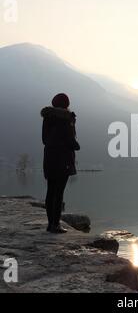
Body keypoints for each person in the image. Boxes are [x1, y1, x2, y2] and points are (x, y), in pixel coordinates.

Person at [41, 93, 80, 233]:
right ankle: (56, 225)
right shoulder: (65, 118)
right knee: (59, 193)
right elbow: (69, 139)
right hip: (63, 159)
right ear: (66, 104)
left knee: (50, 191)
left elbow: (44, 139)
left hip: (49, 157)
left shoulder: (47, 117)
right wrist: (76, 146)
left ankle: (50, 224)